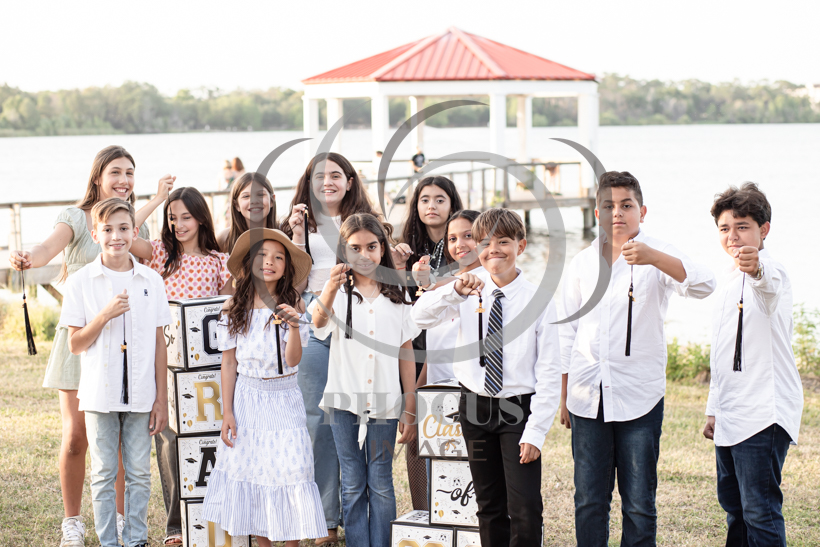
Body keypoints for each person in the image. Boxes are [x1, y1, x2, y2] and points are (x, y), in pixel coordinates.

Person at [7, 145, 173, 547]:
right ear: (98, 176)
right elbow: (48, 248)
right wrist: (29, 256)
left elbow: (134, 241)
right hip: (82, 334)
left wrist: (152, 203)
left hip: (123, 343)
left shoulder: (133, 229)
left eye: (130, 173)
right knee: (76, 437)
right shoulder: (76, 219)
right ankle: (72, 520)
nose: (124, 179)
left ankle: (120, 521)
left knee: (120, 441)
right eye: (116, 171)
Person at [559, 171, 716, 547]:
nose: (617, 213)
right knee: (589, 500)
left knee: (640, 503)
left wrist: (654, 259)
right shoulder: (581, 263)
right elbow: (566, 332)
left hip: (640, 397)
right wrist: (563, 395)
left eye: (626, 205)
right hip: (586, 396)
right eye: (609, 206)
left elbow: (705, 285)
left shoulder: (657, 253)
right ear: (597, 213)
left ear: (641, 211)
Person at [412, 207, 561, 547]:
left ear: (520, 246)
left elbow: (549, 371)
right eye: (486, 243)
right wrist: (454, 290)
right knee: (488, 503)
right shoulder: (465, 291)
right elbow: (419, 317)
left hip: (517, 410)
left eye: (503, 242)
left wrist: (536, 431)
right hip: (474, 407)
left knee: (524, 505)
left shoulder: (538, 300)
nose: (494, 250)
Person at [281, 152, 384, 544]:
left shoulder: (366, 222)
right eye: (319, 176)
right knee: (318, 419)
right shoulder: (300, 222)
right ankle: (325, 517)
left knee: (360, 414)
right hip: (315, 317)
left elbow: (381, 267)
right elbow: (292, 281)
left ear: (350, 181)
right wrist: (295, 235)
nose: (328, 182)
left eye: (336, 175)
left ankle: (365, 509)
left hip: (357, 317)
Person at [202, 228, 326, 546]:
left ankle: (292, 542)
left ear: (286, 267)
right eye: (262, 255)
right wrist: (227, 412)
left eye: (278, 257)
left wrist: (294, 326)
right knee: (254, 472)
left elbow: (293, 359)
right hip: (248, 397)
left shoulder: (292, 302)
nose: (269, 262)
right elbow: (228, 363)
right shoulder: (234, 307)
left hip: (284, 396)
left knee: (292, 470)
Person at [61, 197, 171, 547]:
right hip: (99, 394)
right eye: (107, 229)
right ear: (95, 234)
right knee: (103, 473)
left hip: (142, 394)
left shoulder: (151, 280)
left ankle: (136, 540)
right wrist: (104, 315)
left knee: (139, 472)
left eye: (123, 228)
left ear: (135, 232)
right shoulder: (81, 282)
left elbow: (159, 343)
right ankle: (108, 541)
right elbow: (75, 344)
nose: (116, 236)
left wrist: (162, 399)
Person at [703, 183, 803, 547]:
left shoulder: (772, 271)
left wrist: (757, 268)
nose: (732, 235)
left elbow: (768, 288)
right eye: (725, 228)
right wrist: (713, 408)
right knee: (735, 507)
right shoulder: (728, 281)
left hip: (763, 413)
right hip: (731, 412)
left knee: (760, 510)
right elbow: (722, 352)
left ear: (764, 230)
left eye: (742, 226)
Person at [311, 213, 419, 547]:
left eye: (371, 247)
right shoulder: (337, 293)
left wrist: (410, 405)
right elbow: (318, 323)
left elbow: (406, 352)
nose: (364, 255)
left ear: (382, 248)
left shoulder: (397, 294)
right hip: (343, 399)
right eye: (355, 248)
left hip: (386, 400)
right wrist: (330, 287)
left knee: (381, 480)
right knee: (353, 481)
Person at [136, 187, 233, 546]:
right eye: (172, 218)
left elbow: (228, 308)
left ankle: (215, 517)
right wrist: (157, 199)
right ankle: (176, 524)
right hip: (167, 362)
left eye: (186, 217)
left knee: (208, 442)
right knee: (170, 440)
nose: (178, 224)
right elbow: (128, 232)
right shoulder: (161, 254)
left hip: (208, 368)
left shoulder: (219, 261)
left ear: (201, 218)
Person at [395, 175, 464, 510]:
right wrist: (398, 267)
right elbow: (396, 300)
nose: (432, 206)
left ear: (452, 204)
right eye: (425, 200)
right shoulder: (406, 248)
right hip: (413, 343)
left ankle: (455, 505)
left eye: (440, 199)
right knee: (415, 428)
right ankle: (422, 509)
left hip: (451, 344)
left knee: (453, 429)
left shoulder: (463, 246)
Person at [413, 209, 482, 386]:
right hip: (436, 388)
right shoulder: (447, 287)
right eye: (452, 239)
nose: (459, 244)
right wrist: (418, 389)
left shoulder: (488, 282)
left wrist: (431, 282)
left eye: (468, 236)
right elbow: (436, 346)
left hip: (467, 388)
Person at [217, 172, 277, 254]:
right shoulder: (224, 239)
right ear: (236, 205)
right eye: (246, 196)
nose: (254, 201)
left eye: (260, 194)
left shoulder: (283, 234)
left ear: (272, 200)